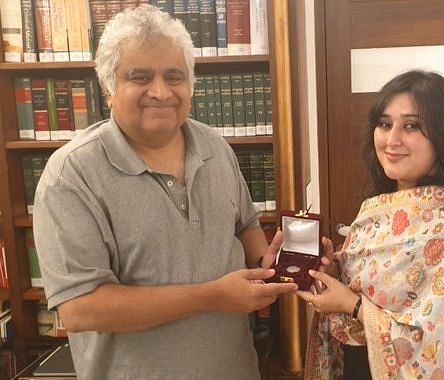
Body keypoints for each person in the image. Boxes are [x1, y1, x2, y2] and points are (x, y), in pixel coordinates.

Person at [33, 5, 298, 380]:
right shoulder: (71, 177)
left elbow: (245, 225)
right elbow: (82, 309)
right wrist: (212, 296)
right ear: (108, 87)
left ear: (190, 84)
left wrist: (265, 264)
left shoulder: (214, 146)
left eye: (174, 76)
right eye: (140, 77)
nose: (160, 92)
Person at [296, 69, 444, 379]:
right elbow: (368, 291)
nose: (392, 139)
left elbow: (442, 347)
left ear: (443, 136)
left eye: (411, 126)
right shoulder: (377, 212)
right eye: (385, 124)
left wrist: (352, 305)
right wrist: (335, 274)